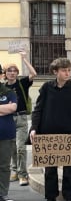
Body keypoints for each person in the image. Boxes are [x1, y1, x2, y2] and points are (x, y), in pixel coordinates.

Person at [29, 58, 71, 201]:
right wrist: (33, 128)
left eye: (69, 70)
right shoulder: (46, 88)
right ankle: (50, 198)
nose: (67, 73)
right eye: (64, 70)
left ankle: (70, 198)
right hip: (48, 133)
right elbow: (38, 109)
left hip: (70, 132)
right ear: (55, 72)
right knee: (50, 169)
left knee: (70, 168)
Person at [4, 51, 37, 186]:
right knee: (12, 147)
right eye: (9, 71)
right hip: (7, 120)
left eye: (15, 71)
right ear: (5, 73)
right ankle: (14, 171)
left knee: (21, 148)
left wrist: (24, 59)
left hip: (21, 118)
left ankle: (23, 174)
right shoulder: (3, 87)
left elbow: (34, 73)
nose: (12, 73)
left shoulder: (22, 83)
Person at [0, 70, 17, 201]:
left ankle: (3, 194)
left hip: (6, 134)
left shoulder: (8, 91)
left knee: (4, 166)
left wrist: (7, 108)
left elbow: (13, 108)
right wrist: (3, 109)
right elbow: (8, 108)